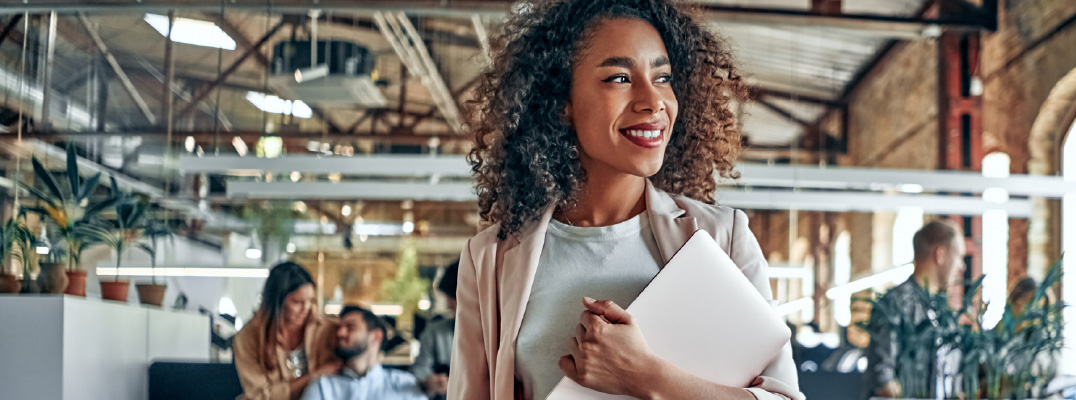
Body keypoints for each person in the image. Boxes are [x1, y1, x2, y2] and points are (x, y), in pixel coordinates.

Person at [449, 0, 802, 399]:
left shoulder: (724, 236)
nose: (653, 101)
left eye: (663, 77)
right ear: (560, 101)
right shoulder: (491, 258)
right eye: (619, 78)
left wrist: (646, 376)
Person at [864, 221, 968, 399]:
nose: (962, 267)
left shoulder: (943, 313)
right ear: (941, 254)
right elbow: (883, 381)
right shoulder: (895, 304)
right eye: (959, 256)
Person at [234, 262, 341, 400]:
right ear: (277, 303)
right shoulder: (248, 338)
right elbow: (259, 397)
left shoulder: (327, 327)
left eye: (311, 300)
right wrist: (315, 376)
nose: (306, 308)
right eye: (297, 302)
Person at [300, 306, 428, 400]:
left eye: (350, 327)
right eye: (339, 328)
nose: (340, 333)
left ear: (376, 337)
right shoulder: (322, 386)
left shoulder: (404, 385)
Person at [412, 261, 459, 398]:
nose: (449, 305)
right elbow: (416, 374)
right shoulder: (435, 332)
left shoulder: (500, 333)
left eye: (452, 299)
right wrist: (429, 383)